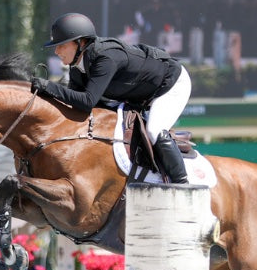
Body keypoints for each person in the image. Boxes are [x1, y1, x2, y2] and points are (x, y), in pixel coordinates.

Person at [32, 12, 190, 184]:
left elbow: (87, 101)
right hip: (142, 96)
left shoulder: (105, 58)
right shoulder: (77, 68)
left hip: (171, 84)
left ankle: (182, 185)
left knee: (154, 129)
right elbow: (77, 107)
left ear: (81, 42)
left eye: (61, 45)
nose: (56, 51)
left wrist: (49, 86)